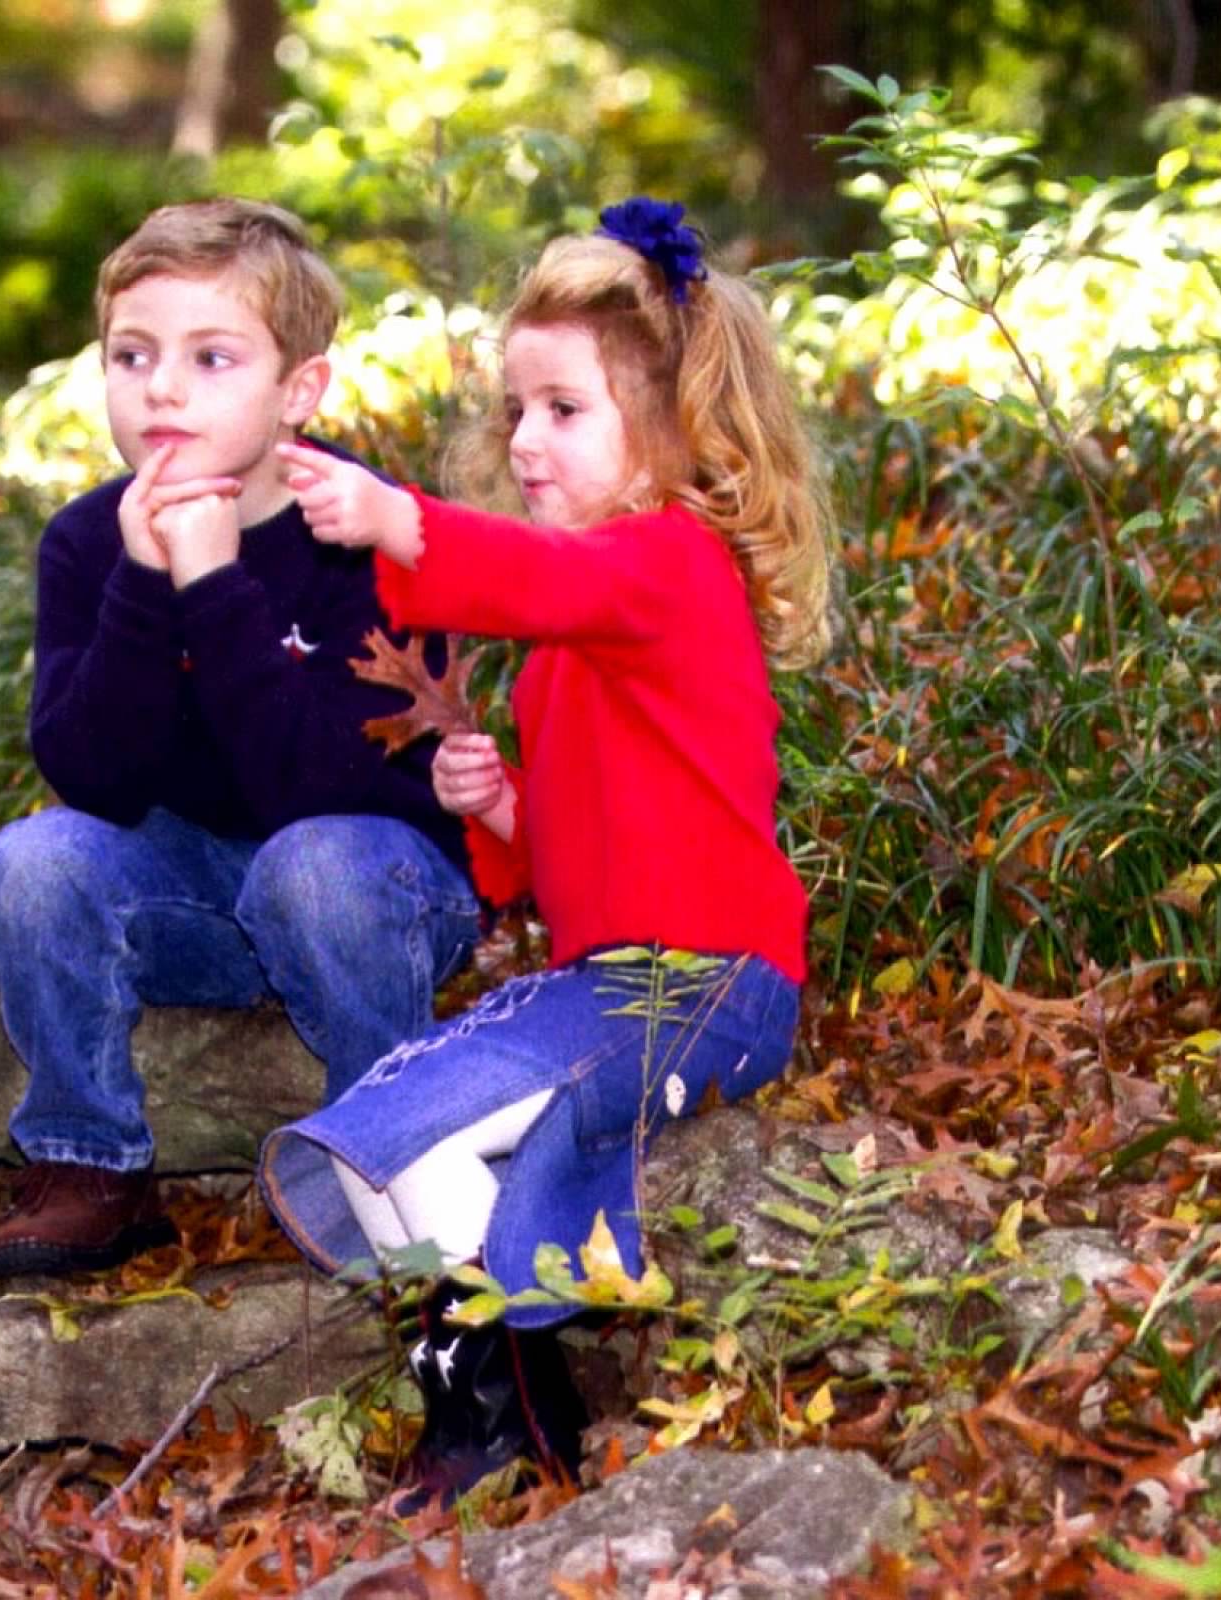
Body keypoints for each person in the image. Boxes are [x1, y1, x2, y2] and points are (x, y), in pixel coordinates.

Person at [259, 196, 835, 1506]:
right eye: (514, 410)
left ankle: (504, 1424)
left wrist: (396, 521)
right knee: (376, 1139)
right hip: (611, 975)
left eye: (562, 410)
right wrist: (503, 806)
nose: (522, 440)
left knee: (404, 1143)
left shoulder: (669, 567)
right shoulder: (575, 650)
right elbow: (581, 849)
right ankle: (500, 1420)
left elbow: (539, 581)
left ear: (675, 432)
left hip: (703, 978)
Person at [0, 199, 478, 1280]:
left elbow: (323, 787)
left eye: (211, 357)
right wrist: (150, 583)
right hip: (194, 894)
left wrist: (213, 583)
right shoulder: (87, 542)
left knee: (314, 864)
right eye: (132, 354)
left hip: (373, 886)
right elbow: (91, 774)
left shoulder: (360, 535)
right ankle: (88, 1159)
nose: (162, 388)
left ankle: (383, 1158)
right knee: (29, 860)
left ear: (299, 391)